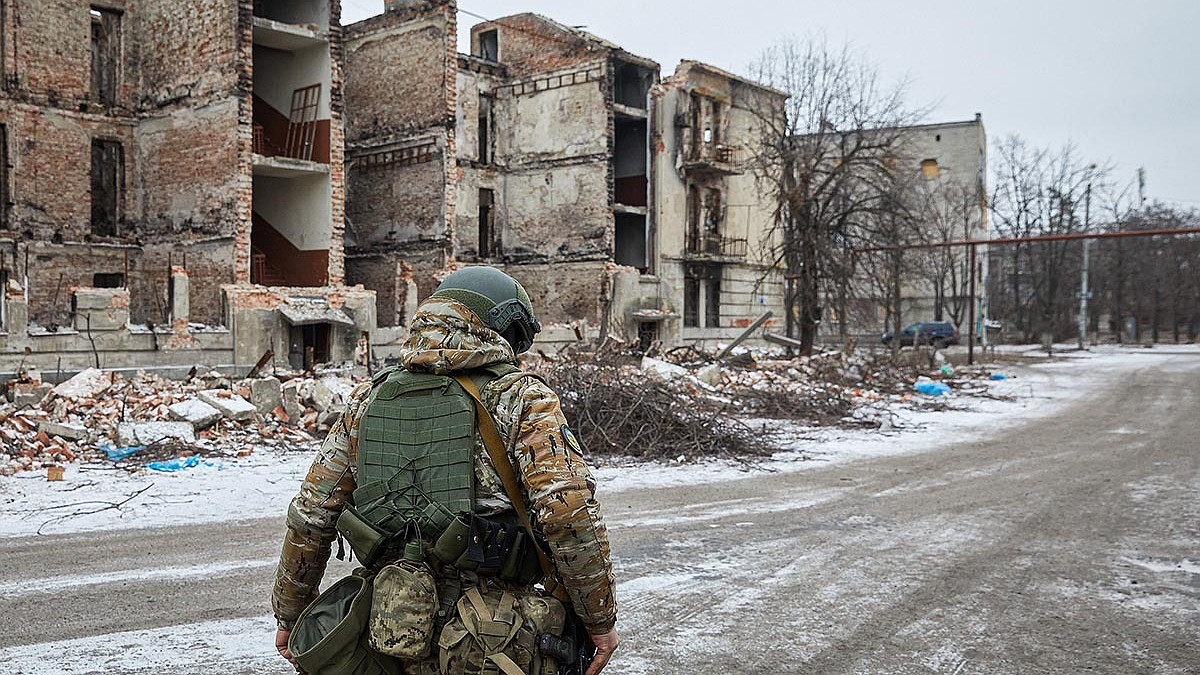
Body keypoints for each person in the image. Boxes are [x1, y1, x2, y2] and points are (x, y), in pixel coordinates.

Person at [271, 266, 619, 675]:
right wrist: (599, 620)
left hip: (389, 624)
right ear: (504, 328)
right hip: (493, 637)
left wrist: (290, 612)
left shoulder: (367, 399)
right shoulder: (521, 399)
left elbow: (312, 514)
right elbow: (567, 512)